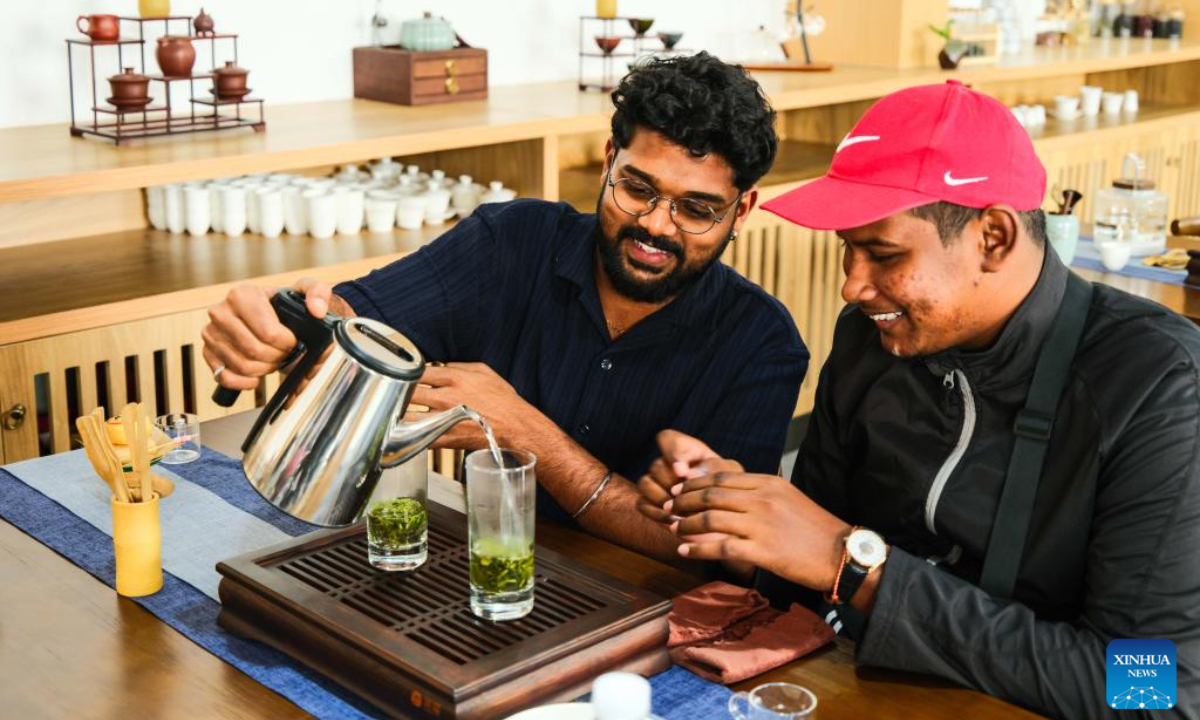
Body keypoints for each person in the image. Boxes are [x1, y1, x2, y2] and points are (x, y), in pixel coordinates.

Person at [636, 80, 1199, 718]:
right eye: (848, 249)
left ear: (993, 237)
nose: (852, 286)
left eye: (883, 253)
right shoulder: (871, 342)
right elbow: (809, 568)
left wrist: (855, 569)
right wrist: (737, 516)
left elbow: (1156, 692)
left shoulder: (1156, 382)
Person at [203, 52, 808, 560]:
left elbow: (704, 549)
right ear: (607, 163)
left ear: (742, 211)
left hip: (645, 616)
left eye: (696, 210)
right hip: (480, 563)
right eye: (637, 188)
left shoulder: (762, 345)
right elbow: (353, 323)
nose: (656, 225)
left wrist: (528, 434)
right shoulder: (511, 243)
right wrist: (274, 328)